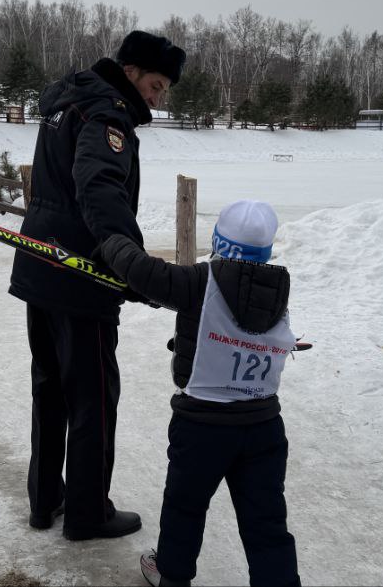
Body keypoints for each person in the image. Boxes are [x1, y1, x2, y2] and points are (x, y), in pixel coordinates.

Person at [8, 30, 185, 541]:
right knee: (93, 398)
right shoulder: (107, 114)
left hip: (40, 266)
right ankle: (87, 512)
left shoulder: (68, 100)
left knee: (49, 388)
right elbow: (100, 187)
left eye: (164, 90)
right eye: (155, 84)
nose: (157, 97)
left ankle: (45, 499)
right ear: (131, 72)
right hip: (80, 279)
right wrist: (126, 259)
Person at [100, 200, 301, 587]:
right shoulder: (276, 289)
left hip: (202, 427)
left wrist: (111, 239)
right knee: (267, 522)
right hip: (264, 427)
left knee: (184, 508)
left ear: (218, 242)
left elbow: (142, 271)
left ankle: (172, 577)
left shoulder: (199, 281)